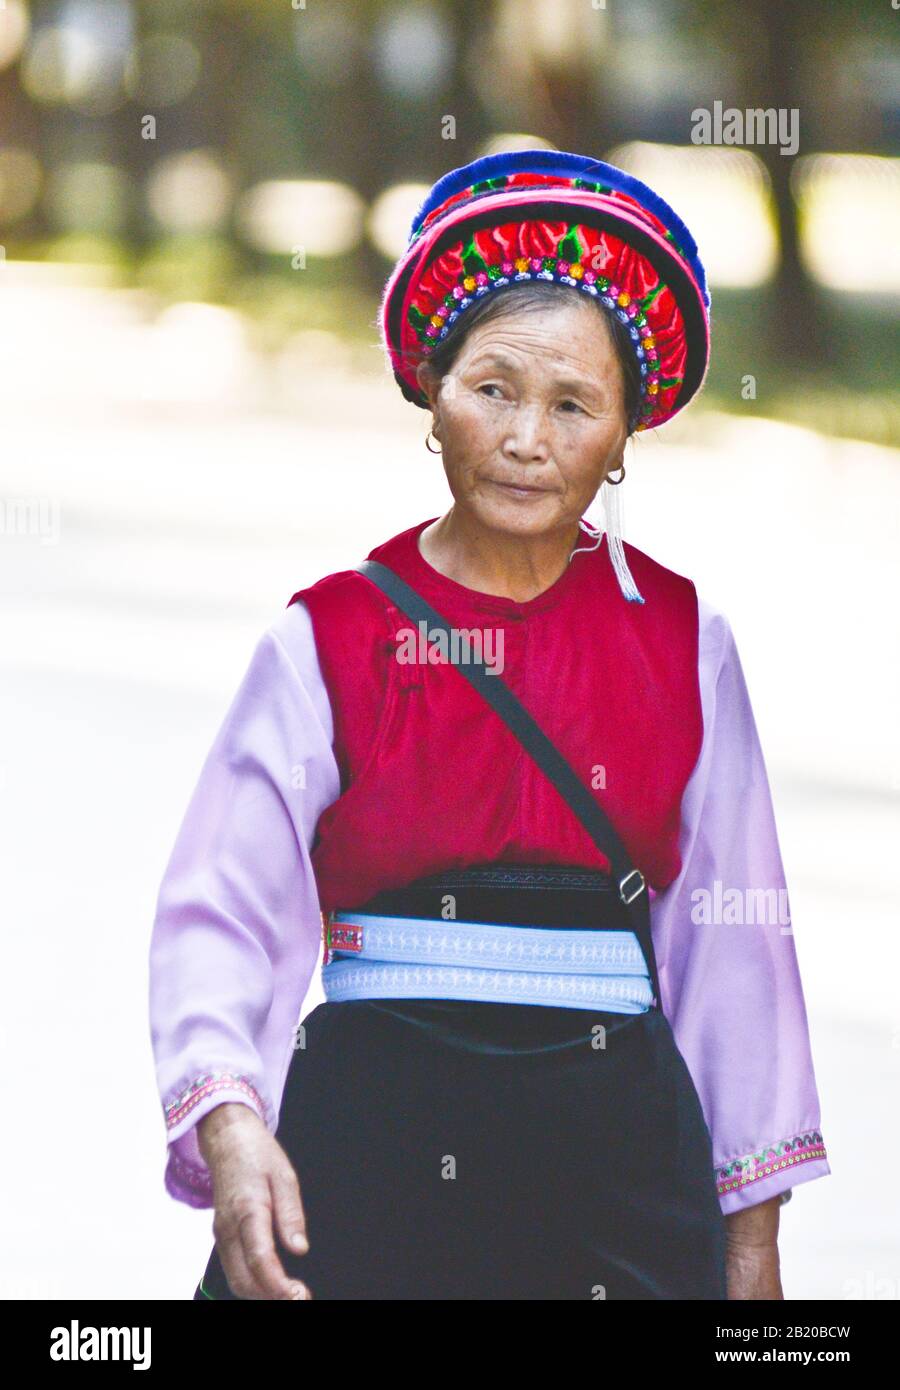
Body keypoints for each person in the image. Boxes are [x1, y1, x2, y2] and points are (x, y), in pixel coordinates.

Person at [148, 149, 830, 1301]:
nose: (527, 437)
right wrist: (231, 1126)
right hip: (371, 1143)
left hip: (618, 1161)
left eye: (574, 405)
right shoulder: (330, 636)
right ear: (432, 393)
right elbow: (223, 901)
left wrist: (752, 1242)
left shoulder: (683, 641)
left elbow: (737, 953)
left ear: (625, 437)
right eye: (494, 389)